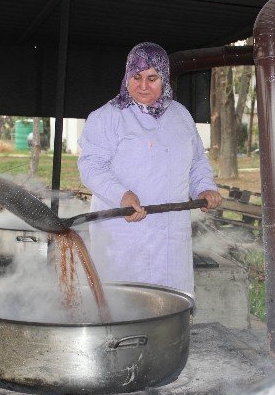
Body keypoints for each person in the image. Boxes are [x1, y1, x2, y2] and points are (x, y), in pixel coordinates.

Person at [77, 42, 222, 296]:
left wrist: (205, 187)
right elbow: (91, 166)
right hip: (123, 232)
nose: (143, 86)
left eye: (152, 78)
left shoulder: (180, 115)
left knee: (169, 306)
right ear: (127, 76)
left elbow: (197, 160)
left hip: (170, 235)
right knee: (124, 306)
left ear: (164, 78)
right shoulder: (108, 117)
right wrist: (121, 195)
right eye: (137, 77)